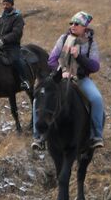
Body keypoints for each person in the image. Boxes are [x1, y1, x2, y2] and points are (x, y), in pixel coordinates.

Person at [32, 10, 104, 153]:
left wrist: (79, 57)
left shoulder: (91, 43)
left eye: (76, 23)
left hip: (81, 79)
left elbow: (95, 66)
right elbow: (51, 60)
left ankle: (96, 135)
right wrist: (62, 70)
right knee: (38, 100)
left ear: (85, 27)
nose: (73, 25)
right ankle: (39, 137)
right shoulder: (64, 39)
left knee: (97, 99)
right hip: (61, 77)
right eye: (71, 23)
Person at [0, 0, 33, 94]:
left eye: (7, 4)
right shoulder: (0, 18)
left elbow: (16, 33)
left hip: (12, 46)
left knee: (16, 60)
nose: (5, 7)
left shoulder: (18, 17)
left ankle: (24, 80)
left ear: (12, 5)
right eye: (3, 4)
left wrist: (4, 40)